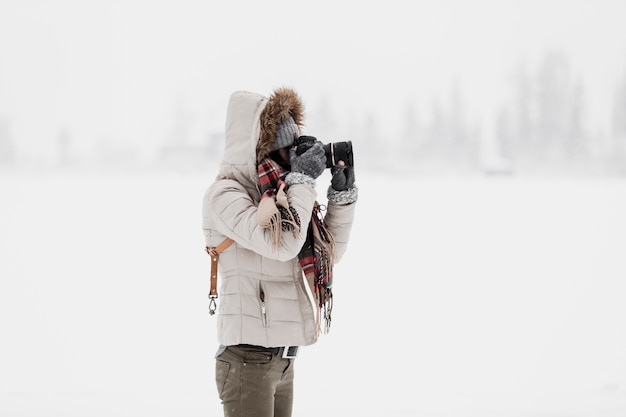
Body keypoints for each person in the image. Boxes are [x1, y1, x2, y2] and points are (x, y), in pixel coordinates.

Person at [202, 87, 358, 417]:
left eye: (293, 148)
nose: (289, 157)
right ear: (257, 147)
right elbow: (283, 243)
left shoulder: (285, 193)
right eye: (283, 149)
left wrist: (341, 198)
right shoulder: (225, 196)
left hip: (284, 359)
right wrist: (302, 180)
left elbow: (326, 257)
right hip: (247, 360)